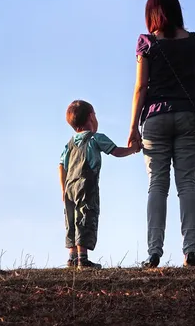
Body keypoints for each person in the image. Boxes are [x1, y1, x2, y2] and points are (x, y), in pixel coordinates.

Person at [128, 0, 195, 268]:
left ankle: (154, 253)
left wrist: (133, 128)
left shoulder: (147, 43)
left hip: (155, 118)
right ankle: (191, 251)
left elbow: (141, 88)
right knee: (187, 183)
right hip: (188, 115)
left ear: (151, 14)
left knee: (157, 185)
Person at [60, 100, 140, 269]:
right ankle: (83, 259)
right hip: (86, 185)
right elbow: (116, 152)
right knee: (85, 216)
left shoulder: (69, 144)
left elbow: (61, 165)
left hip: (69, 187)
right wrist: (133, 148)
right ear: (91, 117)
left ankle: (72, 257)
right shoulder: (96, 138)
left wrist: (63, 188)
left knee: (71, 218)